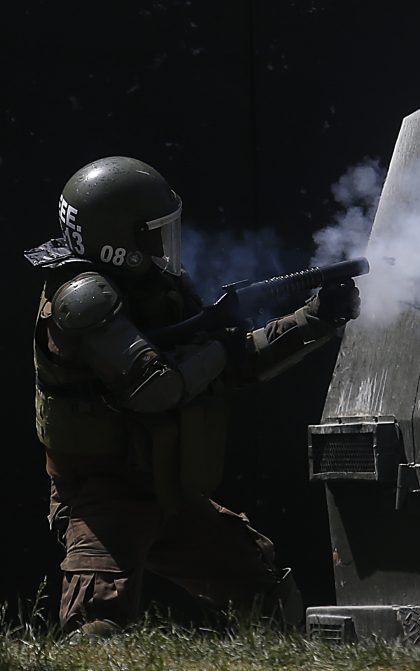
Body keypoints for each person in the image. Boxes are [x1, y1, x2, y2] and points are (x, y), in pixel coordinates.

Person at [24, 155, 360, 639]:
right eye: (152, 232)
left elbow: (233, 363)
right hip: (102, 497)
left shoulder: (156, 291)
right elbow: (155, 389)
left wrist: (315, 318)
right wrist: (221, 350)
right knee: (96, 630)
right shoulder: (81, 300)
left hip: (167, 488)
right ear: (120, 241)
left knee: (265, 592)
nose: (164, 243)